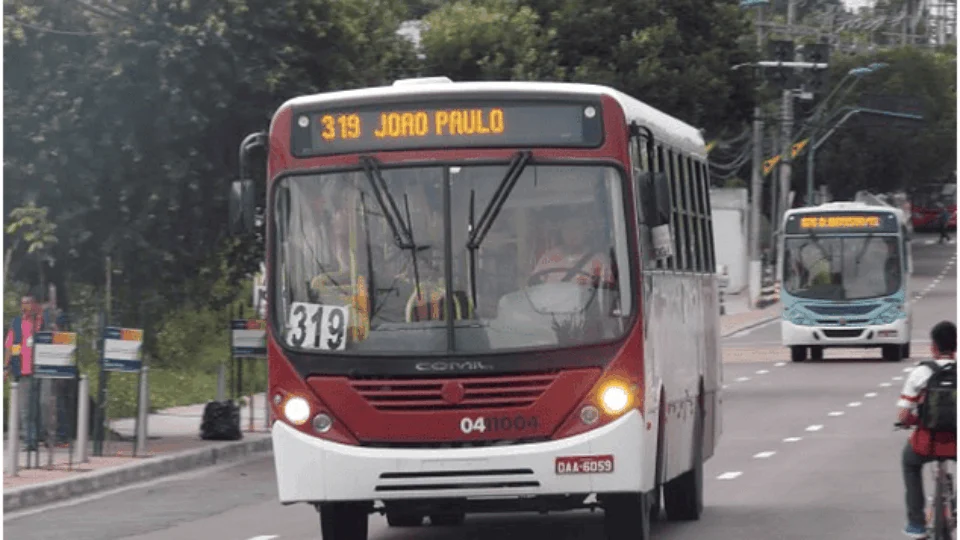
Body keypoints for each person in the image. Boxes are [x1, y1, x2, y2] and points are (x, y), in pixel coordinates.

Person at [896, 320, 957, 538]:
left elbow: (903, 413)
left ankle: (916, 524)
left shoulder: (921, 372)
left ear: (933, 347)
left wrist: (907, 421)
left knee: (909, 463)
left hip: (927, 443)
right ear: (956, 346)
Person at [4, 295, 44, 451]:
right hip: (24, 371)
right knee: (25, 409)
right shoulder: (17, 323)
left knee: (42, 406)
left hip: (42, 371)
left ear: (35, 304)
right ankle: (30, 441)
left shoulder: (42, 322)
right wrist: (5, 367)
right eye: (23, 303)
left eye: (28, 302)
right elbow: (9, 346)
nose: (25, 306)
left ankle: (41, 436)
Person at [530, 214, 615, 287]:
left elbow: (606, 290)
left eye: (577, 228)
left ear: (585, 231)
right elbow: (535, 286)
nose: (572, 233)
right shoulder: (549, 257)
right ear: (561, 232)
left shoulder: (599, 260)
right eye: (567, 228)